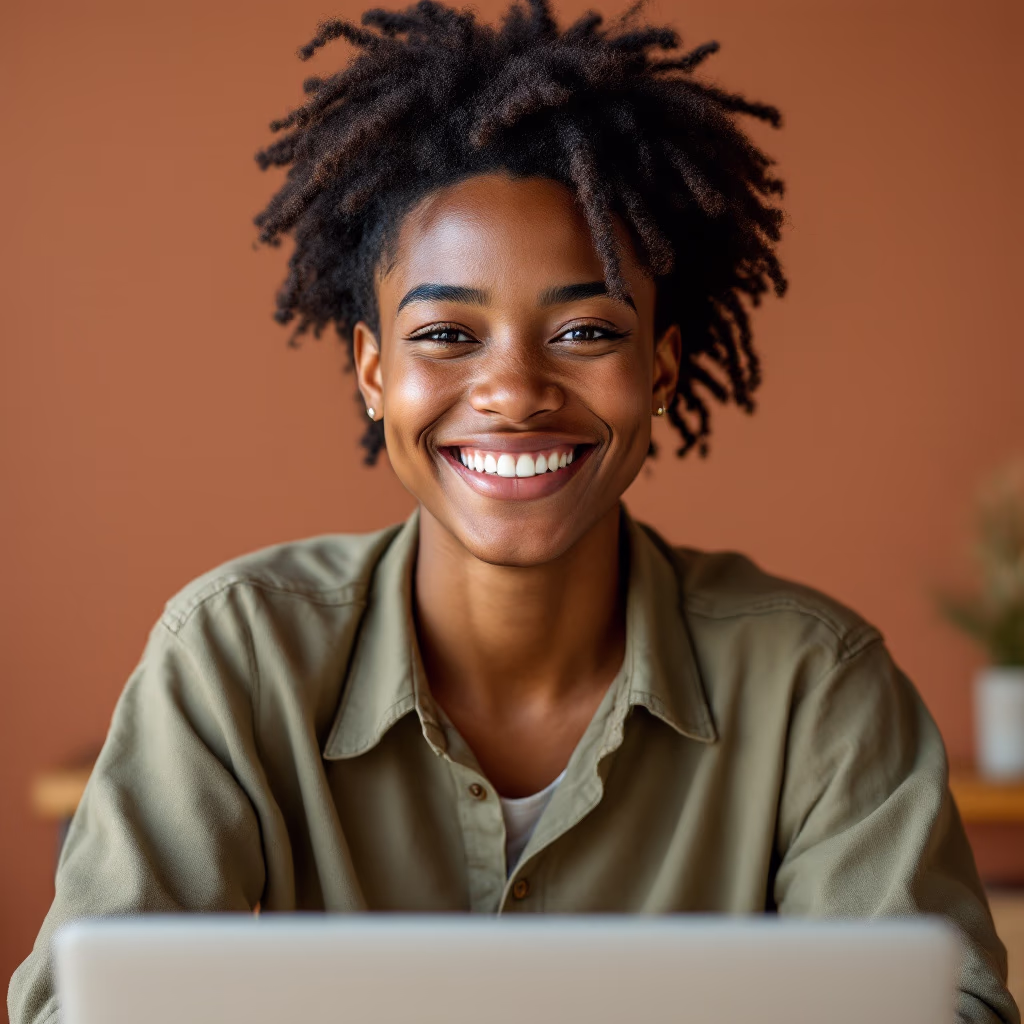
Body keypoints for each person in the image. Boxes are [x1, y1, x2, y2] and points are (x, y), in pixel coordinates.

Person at [8, 2, 1018, 1022]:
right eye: (447, 333)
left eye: (584, 329)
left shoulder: (817, 689)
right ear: (372, 371)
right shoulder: (234, 656)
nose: (514, 390)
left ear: (658, 367)